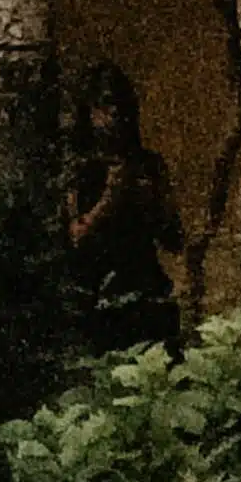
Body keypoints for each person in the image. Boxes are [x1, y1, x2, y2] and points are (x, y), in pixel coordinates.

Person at [65, 61, 185, 351]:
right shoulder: (77, 170)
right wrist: (110, 198)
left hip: (144, 291)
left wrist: (153, 201)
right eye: (105, 104)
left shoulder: (147, 164)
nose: (114, 114)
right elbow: (75, 237)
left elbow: (173, 239)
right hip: (95, 297)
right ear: (89, 110)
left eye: (119, 104)